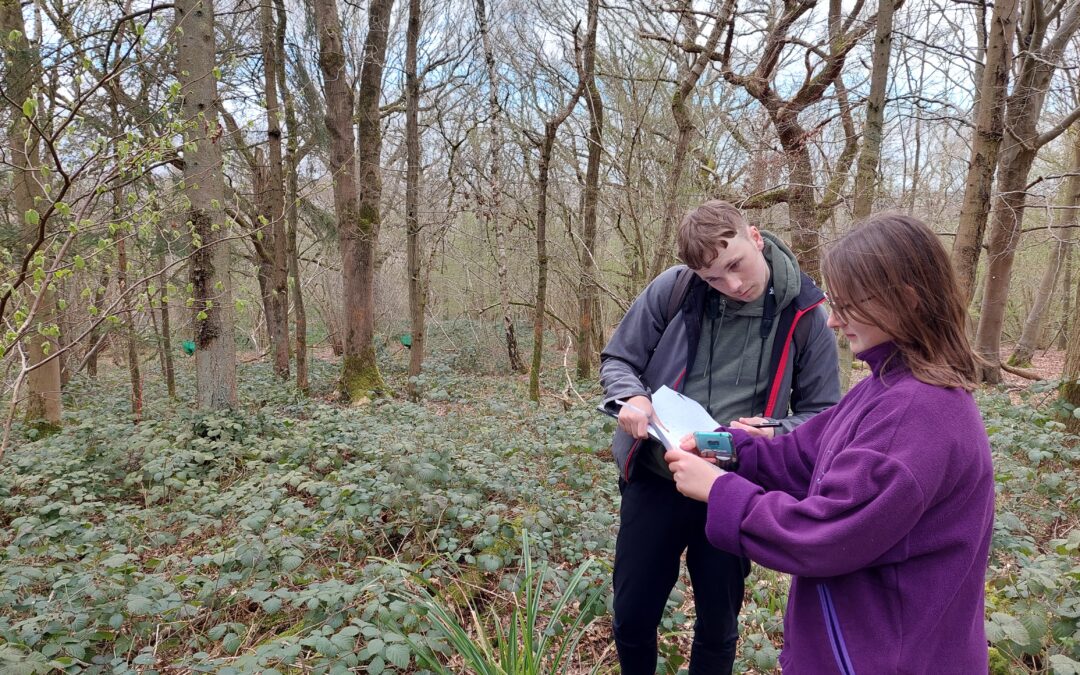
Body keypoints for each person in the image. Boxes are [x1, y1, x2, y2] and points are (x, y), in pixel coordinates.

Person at [664, 213, 994, 673]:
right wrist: (729, 448)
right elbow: (804, 456)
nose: (834, 322)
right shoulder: (885, 387)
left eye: (848, 305)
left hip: (886, 656)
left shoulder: (916, 413)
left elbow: (826, 535)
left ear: (905, 301)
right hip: (863, 644)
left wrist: (719, 491)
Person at [599, 200, 841, 674]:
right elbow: (619, 359)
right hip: (656, 477)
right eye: (715, 278)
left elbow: (824, 415)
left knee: (718, 622)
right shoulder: (676, 289)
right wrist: (632, 398)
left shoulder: (806, 314)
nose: (732, 285)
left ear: (754, 236)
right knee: (632, 615)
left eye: (735, 265)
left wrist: (773, 429)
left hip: (732, 487)